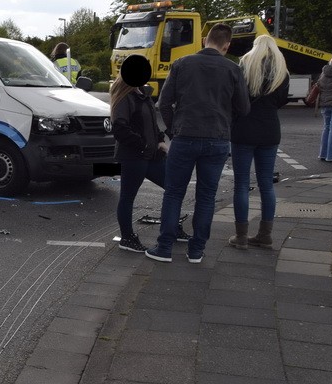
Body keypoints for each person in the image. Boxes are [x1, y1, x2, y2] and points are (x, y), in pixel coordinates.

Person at [145, 23, 251, 263]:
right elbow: (244, 108)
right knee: (206, 196)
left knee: (174, 193)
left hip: (185, 137)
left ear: (205, 40)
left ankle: (164, 248)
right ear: (227, 45)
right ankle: (196, 250)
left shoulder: (182, 64)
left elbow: (163, 103)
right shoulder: (233, 69)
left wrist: (174, 129)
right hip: (217, 139)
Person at [110, 54, 190, 252]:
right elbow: (120, 128)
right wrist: (144, 145)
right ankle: (127, 238)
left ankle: (171, 227)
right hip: (134, 156)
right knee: (128, 197)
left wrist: (160, 141)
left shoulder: (142, 95)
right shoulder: (125, 97)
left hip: (151, 155)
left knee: (173, 187)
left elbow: (152, 126)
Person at [228, 35, 290, 250]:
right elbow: (282, 100)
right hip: (270, 131)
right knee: (266, 184)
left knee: (241, 185)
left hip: (243, 130)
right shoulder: (282, 71)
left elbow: (234, 97)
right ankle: (265, 235)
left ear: (255, 48)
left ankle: (241, 236)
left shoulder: (245, 65)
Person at [318, 56, 332, 162]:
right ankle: (331, 156)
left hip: (324, 103)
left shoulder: (324, 73)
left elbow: (319, 85)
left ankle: (323, 154)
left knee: (326, 128)